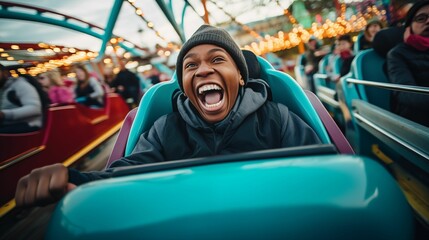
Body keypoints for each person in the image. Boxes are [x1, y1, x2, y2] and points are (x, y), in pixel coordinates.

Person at [15, 25, 321, 208]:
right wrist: (76, 181)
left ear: (240, 77)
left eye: (217, 59)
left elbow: (321, 173)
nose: (202, 70)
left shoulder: (277, 117)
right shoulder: (164, 129)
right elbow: (125, 175)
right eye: (190, 66)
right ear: (186, 87)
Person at [387, 0, 429, 127]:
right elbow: (406, 94)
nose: (428, 21)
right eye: (421, 18)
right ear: (409, 26)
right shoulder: (397, 54)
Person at [0, 64, 43, 133]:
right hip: (9, 125)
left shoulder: (20, 85)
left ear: (5, 73)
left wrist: (4, 114)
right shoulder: (3, 88)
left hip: (28, 125)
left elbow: (34, 108)